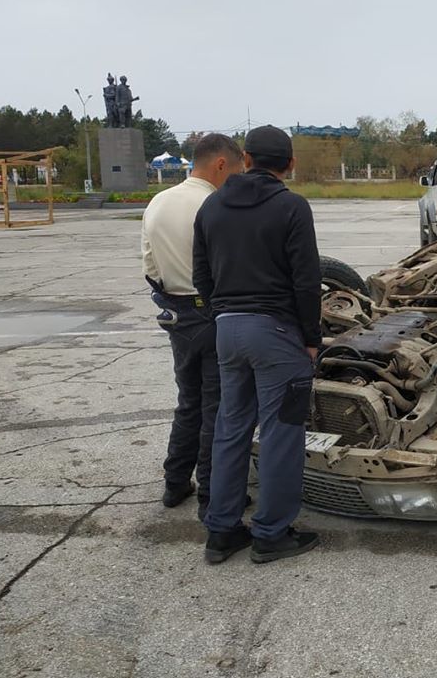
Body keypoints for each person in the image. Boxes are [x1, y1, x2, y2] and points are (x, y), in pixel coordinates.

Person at [193, 125, 322, 565]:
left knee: (230, 429)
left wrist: (221, 313)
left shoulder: (211, 207)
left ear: (245, 158)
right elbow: (307, 282)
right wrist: (310, 339)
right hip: (276, 335)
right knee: (281, 434)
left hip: (226, 332)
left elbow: (201, 276)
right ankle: (271, 533)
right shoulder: (291, 207)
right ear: (290, 164)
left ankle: (221, 530)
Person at [140, 133, 244, 517]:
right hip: (214, 312)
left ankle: (175, 483)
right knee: (217, 407)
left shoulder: (158, 202)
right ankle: (213, 496)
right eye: (235, 170)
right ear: (220, 164)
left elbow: (149, 264)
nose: (236, 178)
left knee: (188, 402)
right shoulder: (217, 205)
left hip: (177, 316)